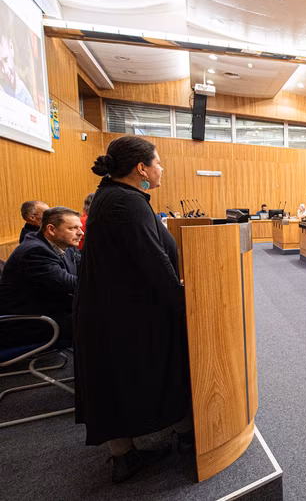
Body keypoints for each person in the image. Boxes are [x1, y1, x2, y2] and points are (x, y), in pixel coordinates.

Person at [74, 136, 191, 483]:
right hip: (124, 316)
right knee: (140, 373)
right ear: (141, 168)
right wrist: (182, 301)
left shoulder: (113, 195)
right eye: (158, 162)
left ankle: (125, 454)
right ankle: (181, 436)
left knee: (115, 381)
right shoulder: (126, 202)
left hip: (114, 310)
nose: (161, 168)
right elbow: (153, 260)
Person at [0, 207, 82, 345]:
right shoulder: (35, 251)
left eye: (79, 227)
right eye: (73, 228)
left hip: (53, 311)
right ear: (51, 229)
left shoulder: (65, 245)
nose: (81, 232)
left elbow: (85, 270)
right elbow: (70, 284)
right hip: (32, 323)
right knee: (105, 321)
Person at [0, 31, 35, 108]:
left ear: (11, 47)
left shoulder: (26, 99)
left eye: (5, 59)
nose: (4, 70)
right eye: (0, 64)